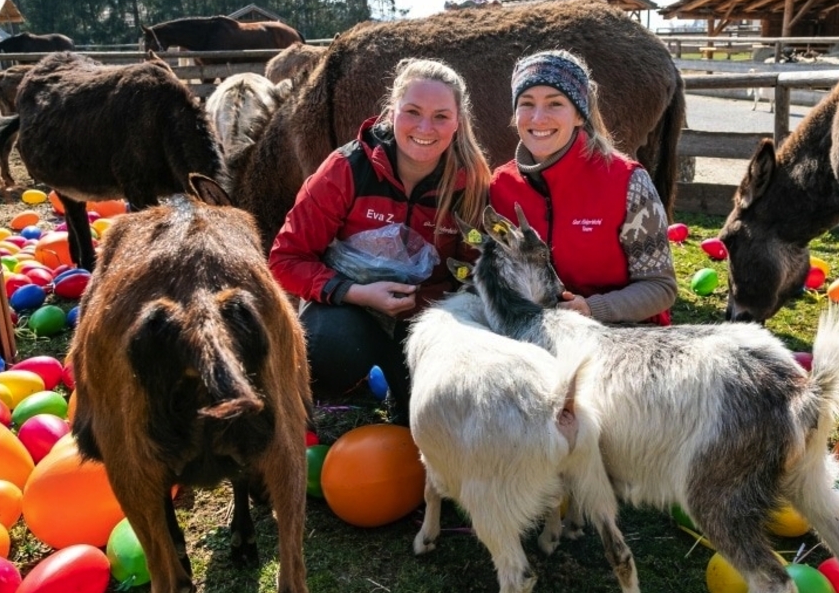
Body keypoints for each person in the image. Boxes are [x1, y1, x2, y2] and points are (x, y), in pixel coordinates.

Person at [269, 58, 491, 420]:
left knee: (431, 410)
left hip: (426, 323)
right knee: (325, 344)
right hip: (349, 311)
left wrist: (425, 301)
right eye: (413, 111)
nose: (424, 127)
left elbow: (474, 274)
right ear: (392, 112)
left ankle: (404, 403)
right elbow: (285, 261)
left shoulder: (472, 185)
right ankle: (345, 407)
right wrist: (356, 292)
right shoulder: (346, 169)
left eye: (440, 116)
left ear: (458, 122)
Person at [490, 49, 677, 324]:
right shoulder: (500, 186)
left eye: (555, 104)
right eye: (527, 103)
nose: (538, 118)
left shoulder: (627, 182)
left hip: (625, 338)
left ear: (580, 115)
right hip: (537, 341)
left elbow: (661, 288)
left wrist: (591, 309)